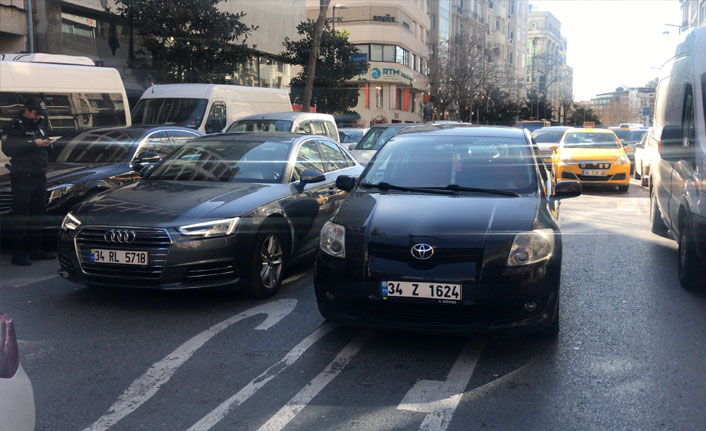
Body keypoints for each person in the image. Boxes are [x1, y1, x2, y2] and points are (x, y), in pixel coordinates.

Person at [1, 97, 55, 265]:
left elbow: (44, 148)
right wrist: (34, 143)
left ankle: (35, 249)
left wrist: (47, 145)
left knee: (38, 214)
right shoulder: (14, 126)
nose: (39, 117)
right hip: (23, 177)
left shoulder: (39, 125)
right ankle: (18, 254)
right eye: (36, 113)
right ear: (27, 110)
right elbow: (8, 148)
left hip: (39, 175)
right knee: (21, 216)